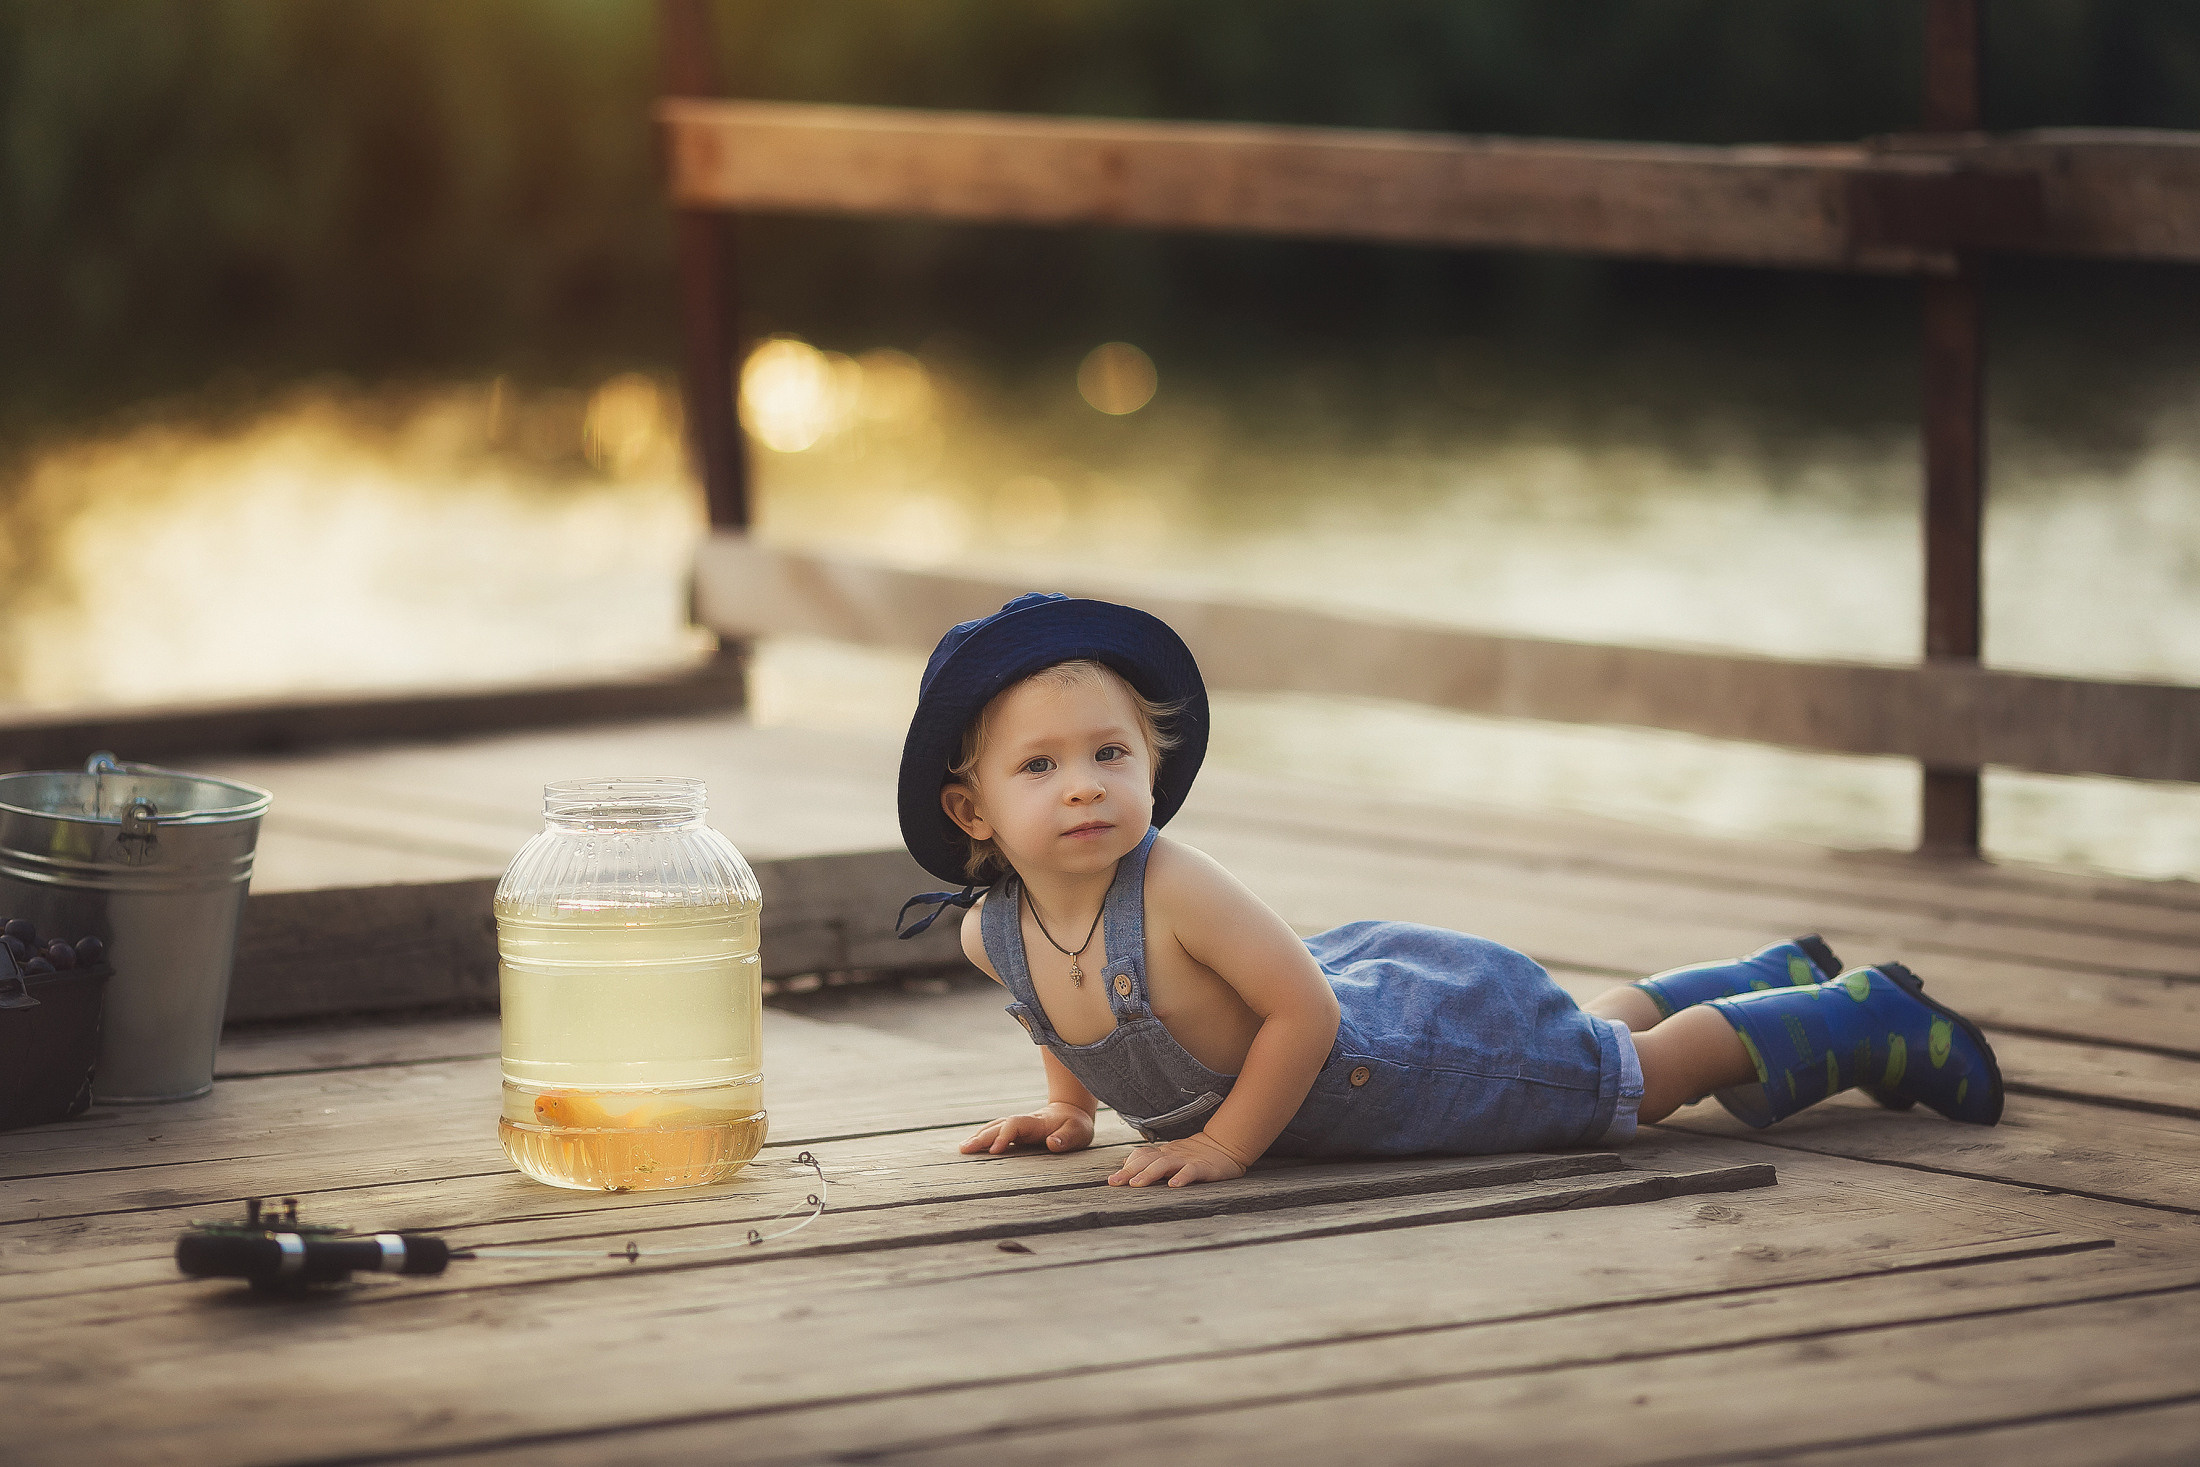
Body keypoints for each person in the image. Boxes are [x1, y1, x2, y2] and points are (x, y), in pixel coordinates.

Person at [893, 593, 2004, 1189]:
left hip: (1402, 1056)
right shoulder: (995, 932)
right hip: (1379, 1063)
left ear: (1150, 761)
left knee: (1625, 1085)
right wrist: (1069, 1105)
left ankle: (1856, 1017)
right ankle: (1746, 980)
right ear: (972, 811)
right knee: (1558, 1048)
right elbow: (1056, 1003)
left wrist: (1227, 1148)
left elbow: (1305, 1012)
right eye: (1039, 767)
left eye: (1110, 754)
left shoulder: (1174, 883)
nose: (1084, 787)